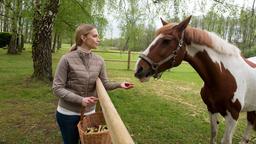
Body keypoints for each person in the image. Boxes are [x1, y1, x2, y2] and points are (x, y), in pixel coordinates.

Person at [52, 24, 134, 144]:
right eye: (95, 36)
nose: (98, 39)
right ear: (83, 38)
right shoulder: (66, 59)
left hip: (89, 114)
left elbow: (104, 84)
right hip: (68, 114)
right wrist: (81, 100)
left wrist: (119, 85)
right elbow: (57, 88)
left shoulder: (99, 60)